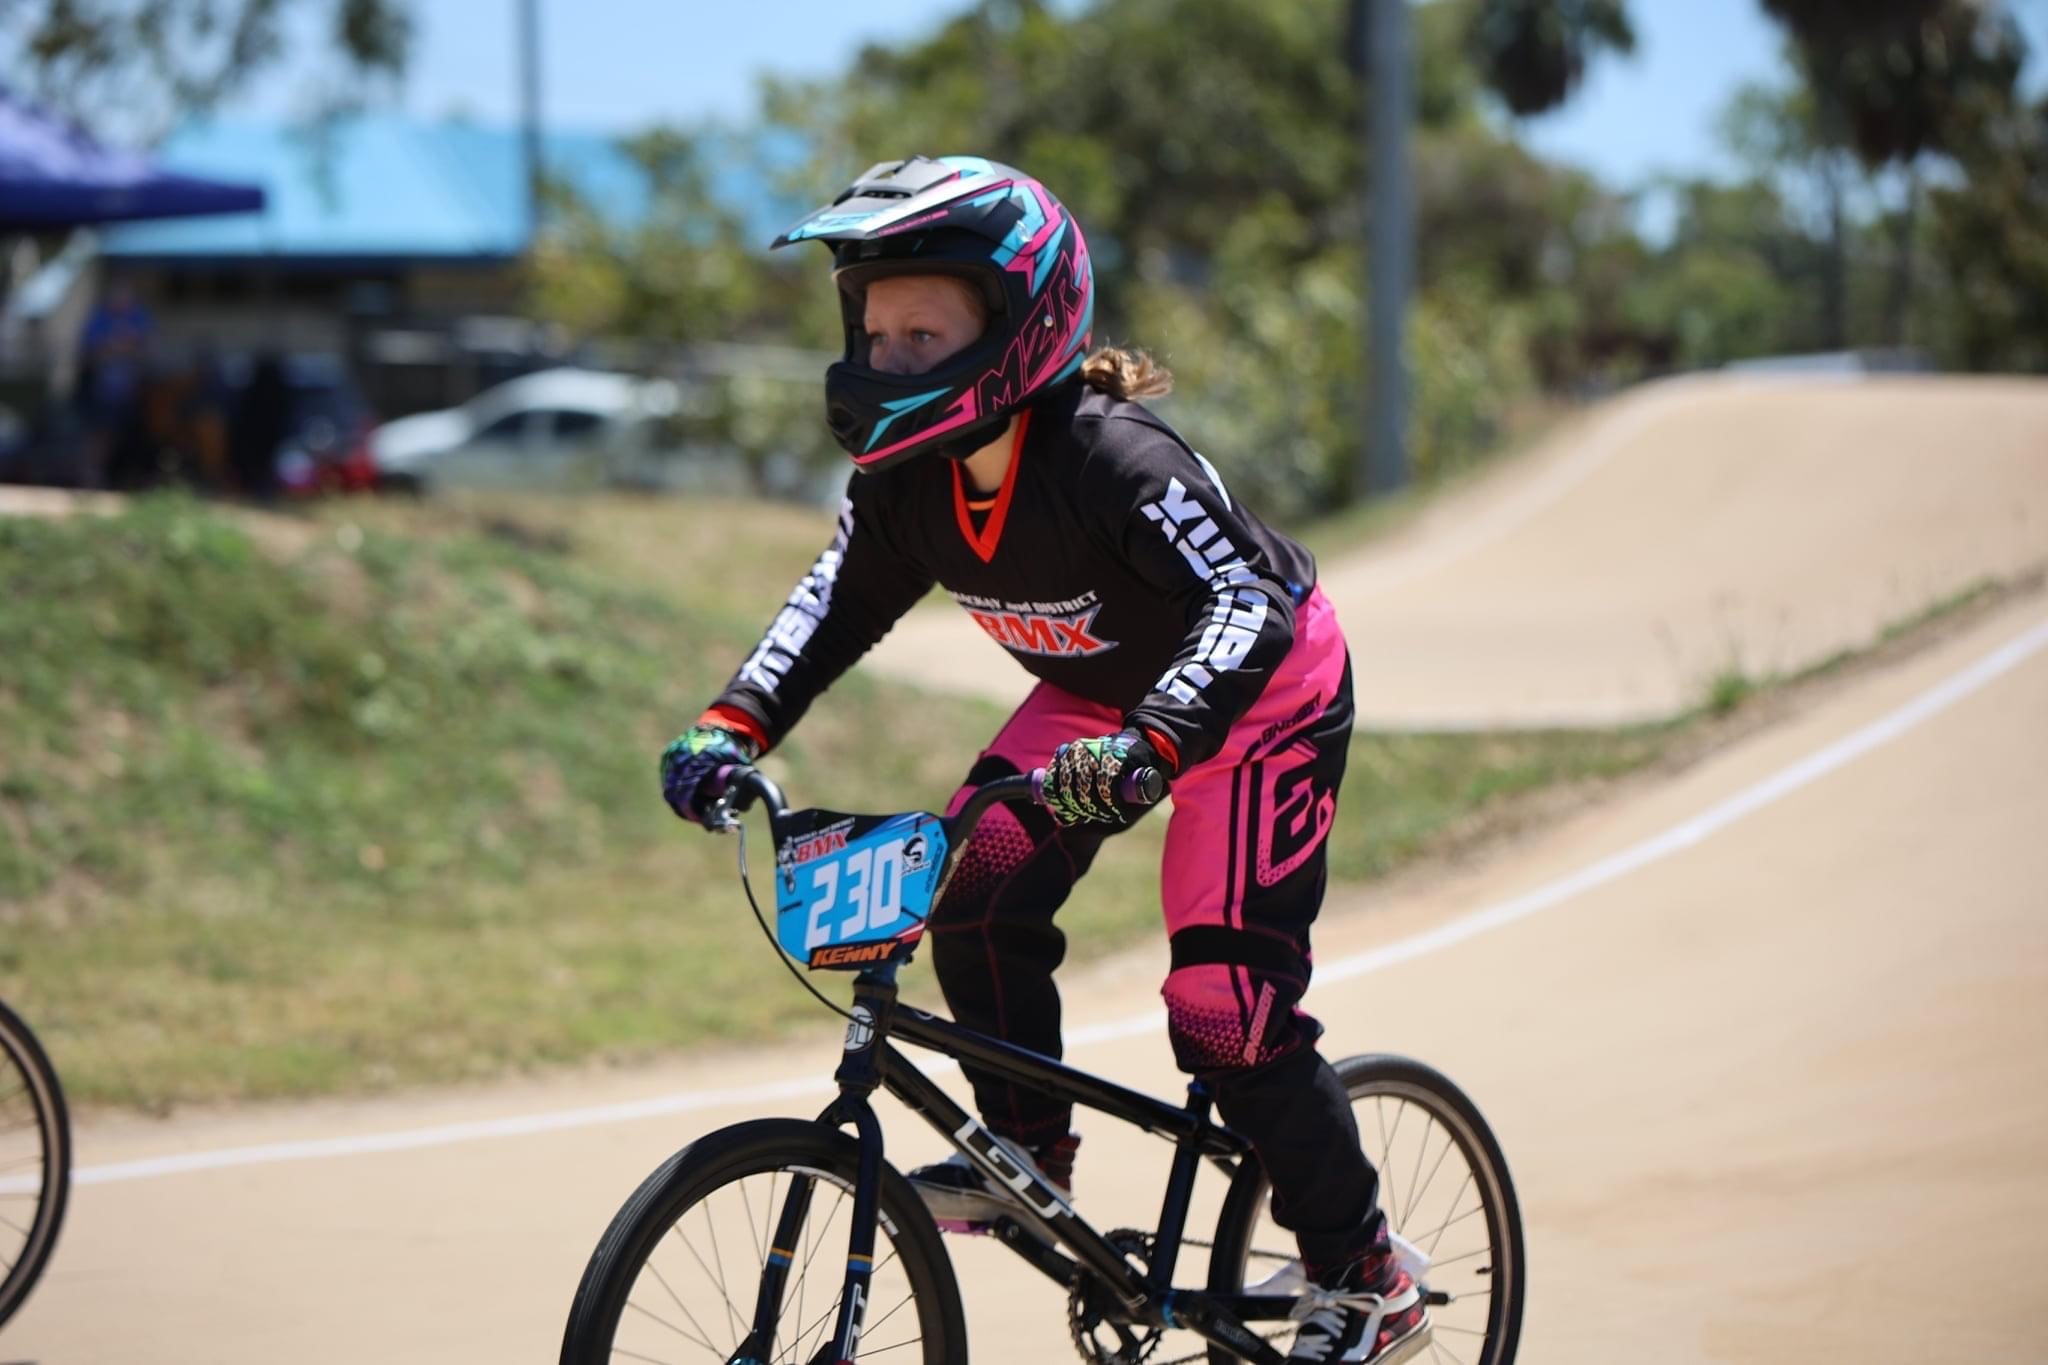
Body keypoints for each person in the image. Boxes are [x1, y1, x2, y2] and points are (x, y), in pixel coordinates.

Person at [661, 156, 1428, 1365]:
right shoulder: (902, 483)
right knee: (970, 887)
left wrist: (1154, 746)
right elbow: (828, 607)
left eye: (926, 330)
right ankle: (1027, 1152)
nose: (889, 357)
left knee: (1223, 1011)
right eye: (874, 330)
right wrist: (732, 724)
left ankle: (1364, 1274)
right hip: (1094, 703)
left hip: (1256, 706)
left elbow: (1244, 606)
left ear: (1017, 325)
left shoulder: (1111, 459)